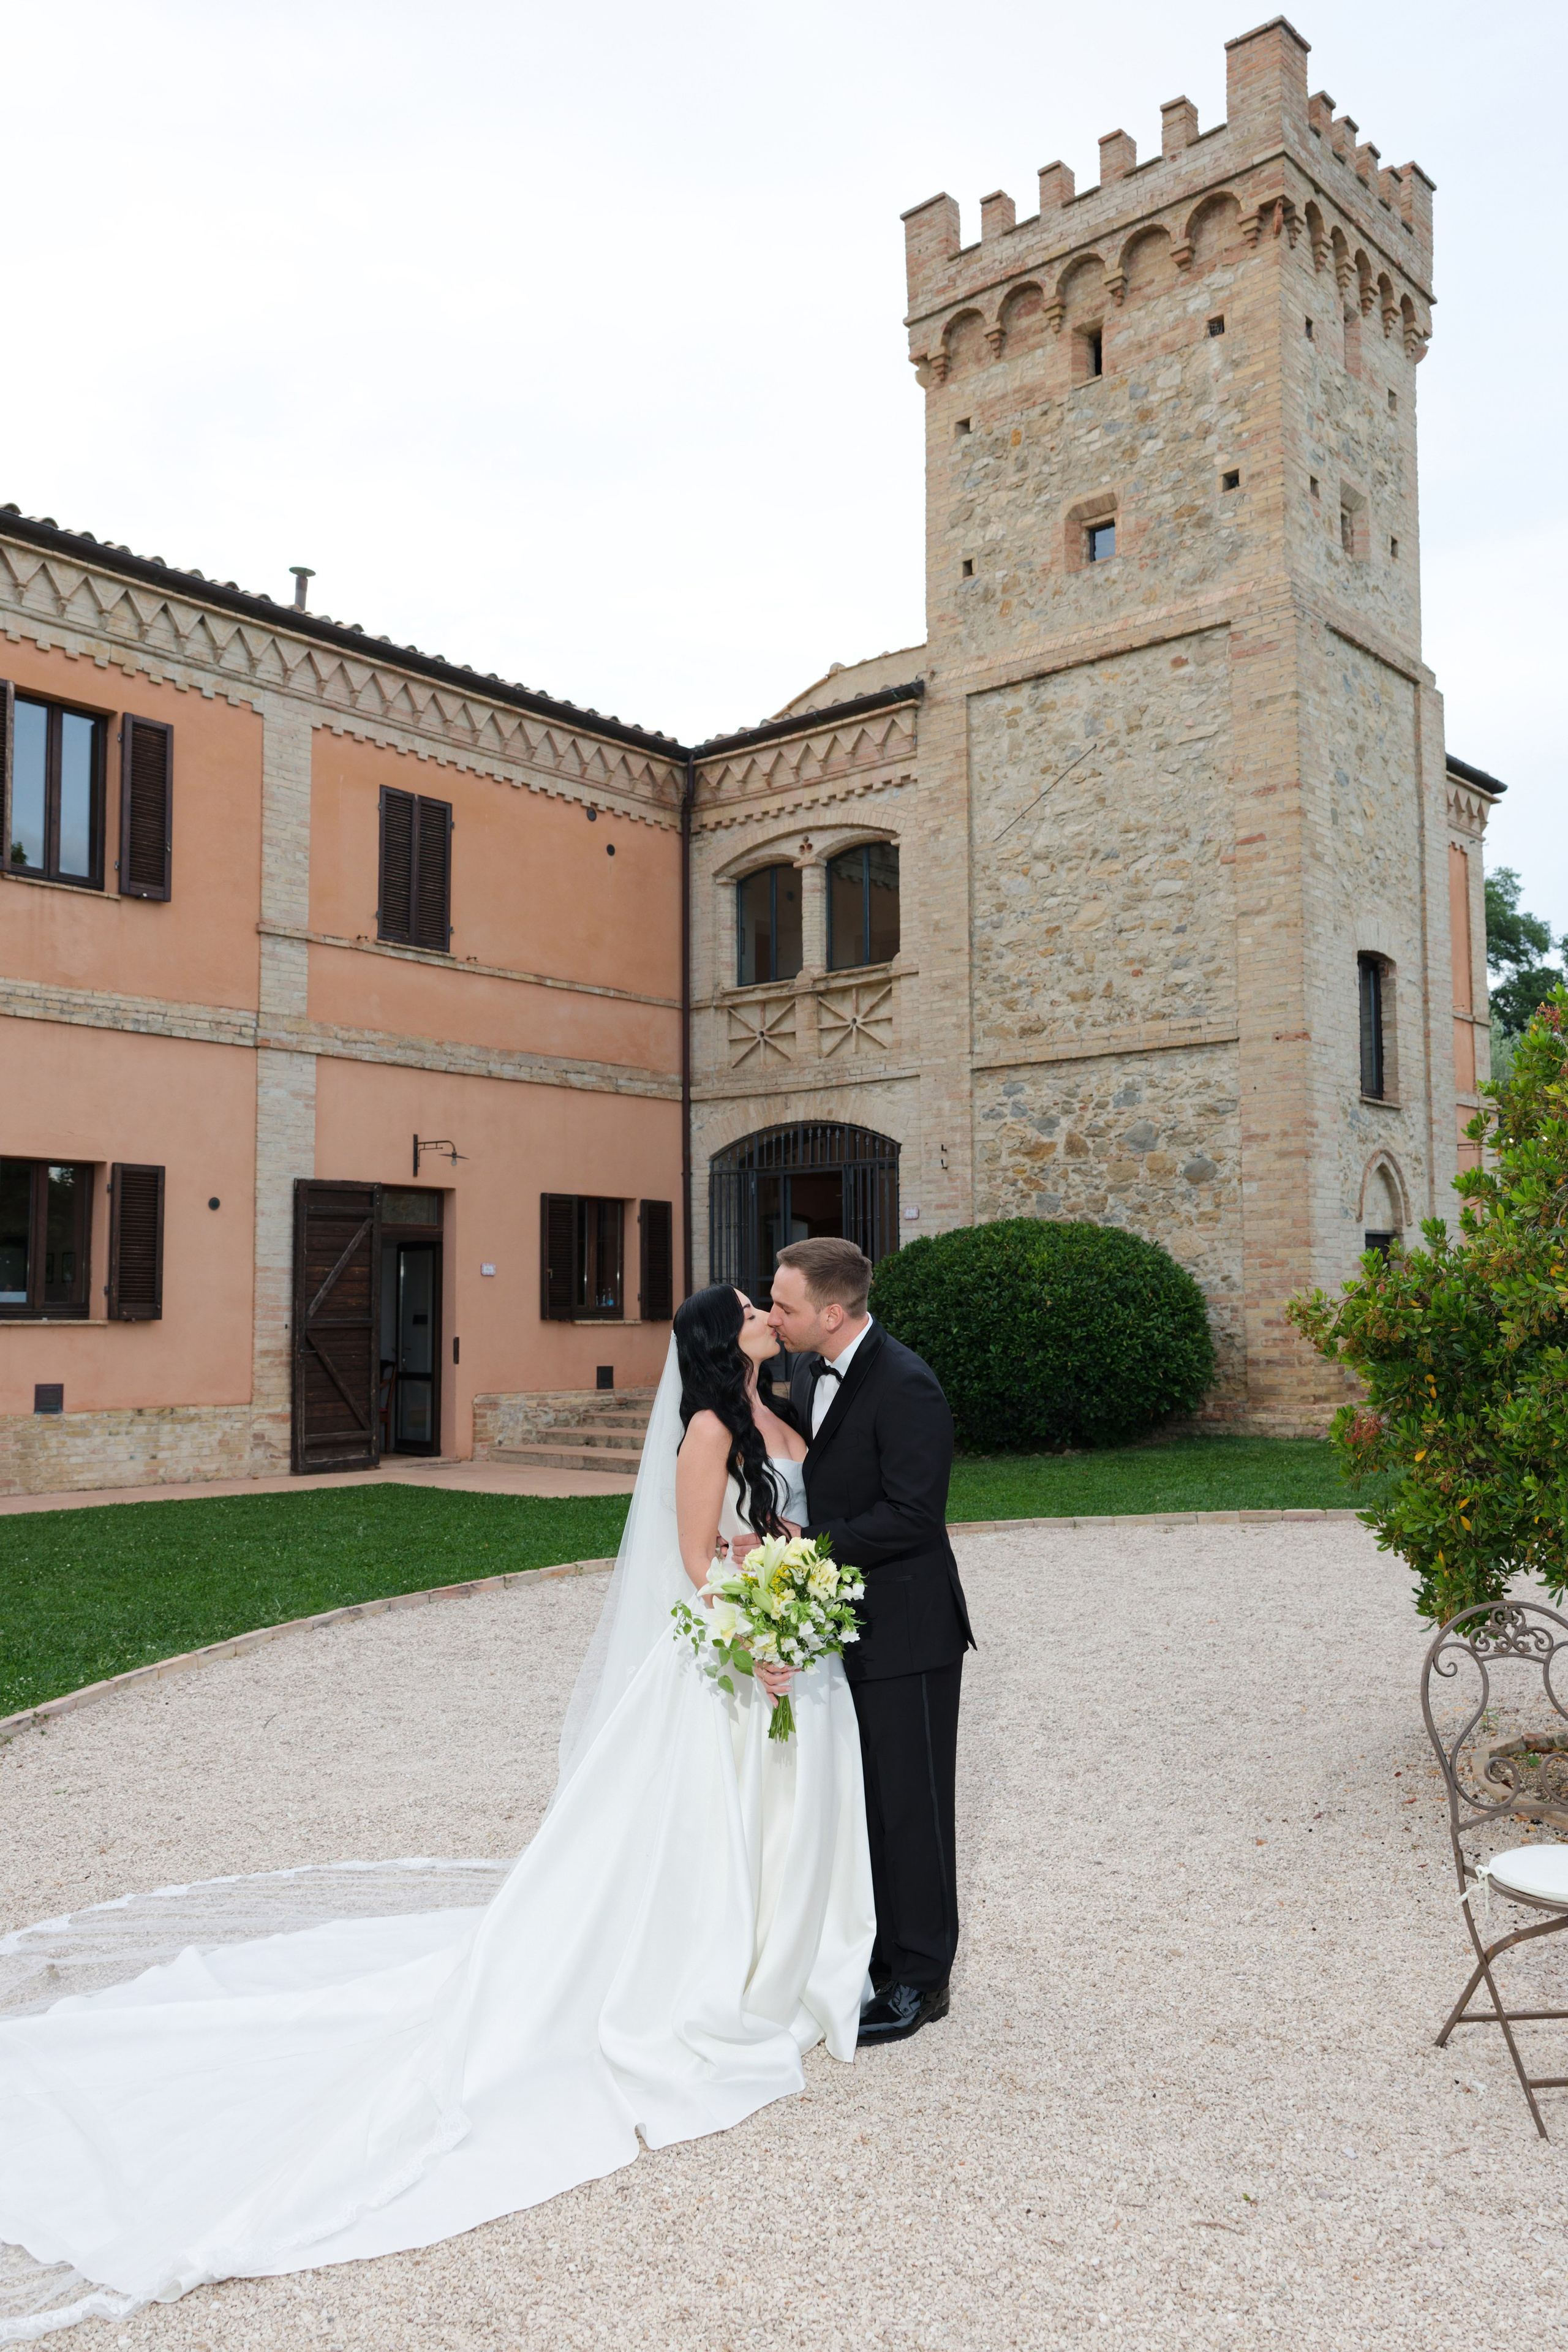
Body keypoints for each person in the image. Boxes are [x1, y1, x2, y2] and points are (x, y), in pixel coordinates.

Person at [0, 1289, 873, 2344]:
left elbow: (772, 1521)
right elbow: (696, 1565)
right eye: (744, 1308)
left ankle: (775, 1951)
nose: (758, 1311)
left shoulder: (774, 1405)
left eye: (765, 1303)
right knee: (684, 1845)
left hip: (777, 1658)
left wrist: (789, 1573)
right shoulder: (702, 1428)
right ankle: (699, 1971)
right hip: (727, 1668)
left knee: (760, 1830)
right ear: (713, 1338)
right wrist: (756, 1614)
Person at [767, 1237, 973, 2046]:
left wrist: (807, 1544)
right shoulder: (805, 1373)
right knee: (869, 1802)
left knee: (913, 1806)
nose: (774, 1315)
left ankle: (923, 1979)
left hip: (911, 1627)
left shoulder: (907, 1383)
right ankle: (880, 1955)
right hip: (847, 1622)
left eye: (784, 1305)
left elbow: (915, 1514)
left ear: (832, 1312)